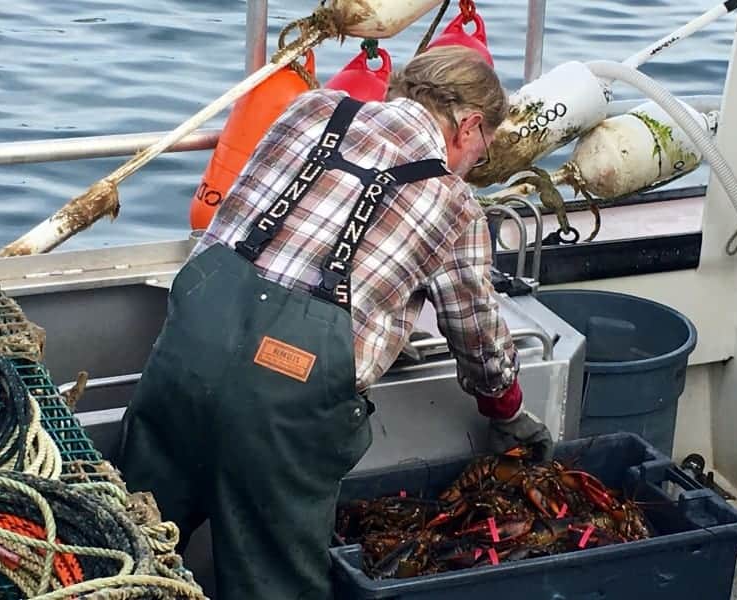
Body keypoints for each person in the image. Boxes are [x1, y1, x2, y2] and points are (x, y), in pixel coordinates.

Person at [118, 45, 553, 600]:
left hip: (187, 347)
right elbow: (476, 333)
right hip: (285, 401)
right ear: (469, 125)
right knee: (273, 584)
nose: (475, 163)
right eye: (484, 148)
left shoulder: (310, 110)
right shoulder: (456, 205)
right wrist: (506, 408)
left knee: (127, 543)